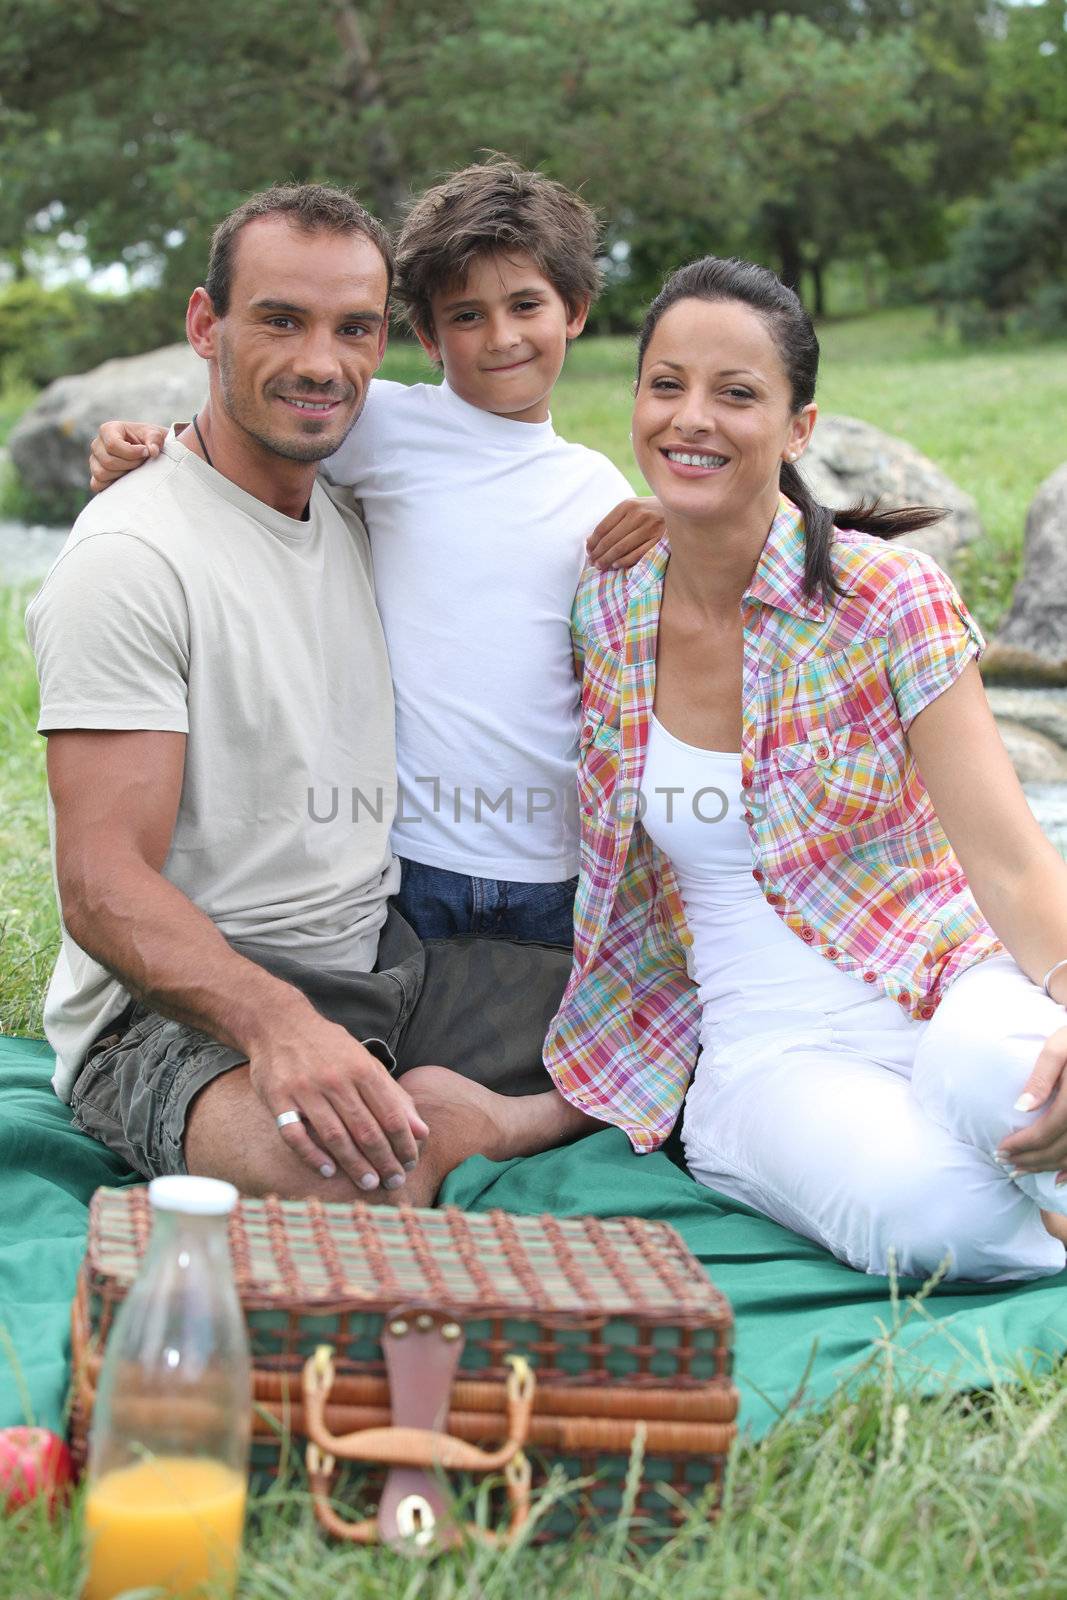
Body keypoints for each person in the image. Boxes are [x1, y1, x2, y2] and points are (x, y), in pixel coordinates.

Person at [27, 183, 599, 1210]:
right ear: (206, 326)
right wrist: (275, 1024)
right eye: (279, 320)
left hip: (391, 957)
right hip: (180, 1012)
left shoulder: (353, 504)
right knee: (351, 1176)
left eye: (353, 329)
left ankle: (491, 1111)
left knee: (680, 1051)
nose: (320, 362)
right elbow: (100, 885)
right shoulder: (130, 556)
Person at [542, 254, 1067, 1283]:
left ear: (798, 429)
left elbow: (1006, 860)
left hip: (941, 971)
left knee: (1011, 1078)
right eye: (666, 385)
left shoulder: (885, 599)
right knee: (926, 1218)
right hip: (763, 1054)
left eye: (735, 394)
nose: (691, 417)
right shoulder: (605, 605)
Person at [88, 159, 663, 947]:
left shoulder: (596, 487)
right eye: (466, 317)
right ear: (425, 335)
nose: (500, 338)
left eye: (526, 305)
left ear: (575, 311)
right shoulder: (384, 424)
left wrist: (678, 518)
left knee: (544, 1050)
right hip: (403, 861)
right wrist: (137, 440)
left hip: (553, 862)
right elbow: (255, 427)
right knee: (409, 1038)